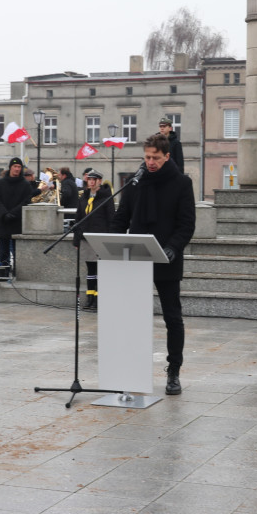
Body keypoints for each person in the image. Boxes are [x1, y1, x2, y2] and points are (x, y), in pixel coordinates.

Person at [112, 134, 195, 395]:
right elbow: (121, 218)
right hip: (136, 258)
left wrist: (173, 247)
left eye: (155, 158)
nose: (150, 162)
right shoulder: (135, 182)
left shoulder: (182, 183)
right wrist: (111, 243)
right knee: (133, 317)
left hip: (166, 259)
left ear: (167, 156)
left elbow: (186, 223)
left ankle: (173, 370)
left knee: (172, 317)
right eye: (147, 157)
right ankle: (133, 368)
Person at [72, 169, 113, 310]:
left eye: (94, 179)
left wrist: (110, 238)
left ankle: (98, 298)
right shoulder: (84, 197)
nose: (91, 182)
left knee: (100, 269)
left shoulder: (106, 197)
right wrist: (76, 240)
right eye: (89, 179)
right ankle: (90, 297)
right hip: (85, 238)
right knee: (90, 269)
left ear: (99, 181)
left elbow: (111, 219)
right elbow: (78, 219)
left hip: (100, 238)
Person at [0, 157, 32, 271]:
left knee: (17, 252)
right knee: (3, 253)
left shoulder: (25, 184)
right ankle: (4, 272)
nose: (17, 169)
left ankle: (17, 273)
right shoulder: (0, 183)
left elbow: (26, 201)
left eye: (19, 167)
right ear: (10, 167)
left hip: (17, 222)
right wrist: (4, 213)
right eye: (15, 166)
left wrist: (13, 213)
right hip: (3, 221)